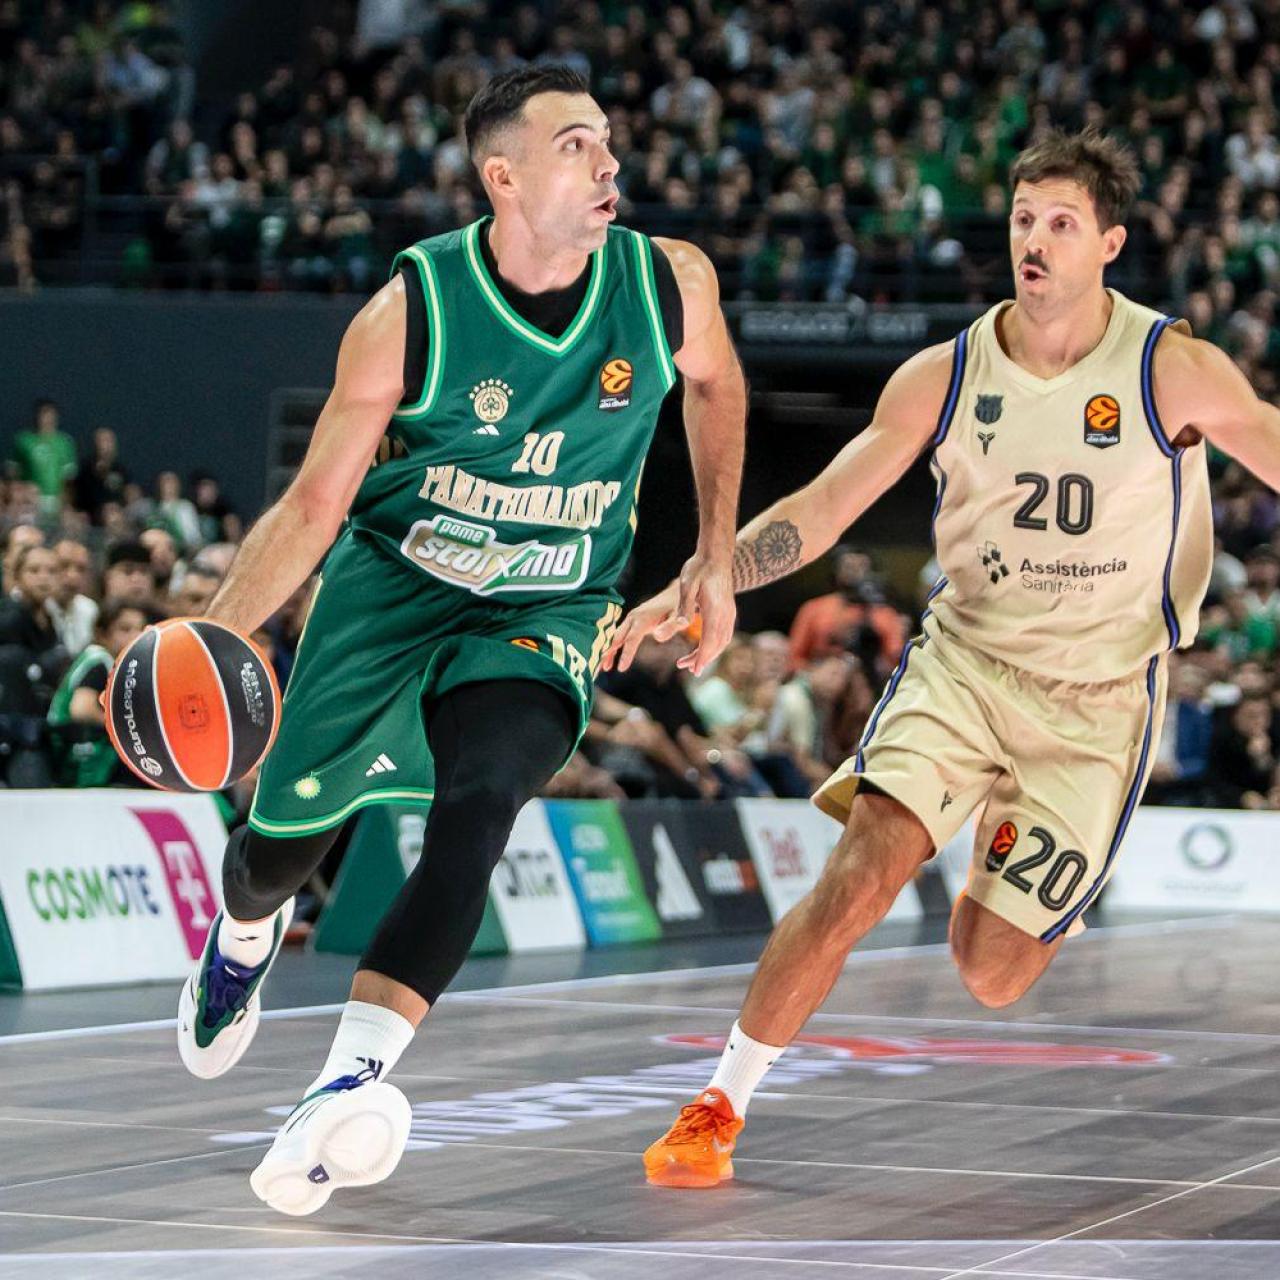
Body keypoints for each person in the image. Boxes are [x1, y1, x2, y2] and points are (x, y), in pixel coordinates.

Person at [607, 126, 1280, 1188]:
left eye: (1060, 223)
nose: (1034, 240)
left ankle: (1002, 835)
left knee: (991, 971)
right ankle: (717, 1101)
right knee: (860, 872)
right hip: (964, 663)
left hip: (1098, 699)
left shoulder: (1168, 366)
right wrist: (711, 575)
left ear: (1107, 242)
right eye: (1021, 220)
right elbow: (825, 504)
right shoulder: (948, 370)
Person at [173, 64, 745, 1214]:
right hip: (394, 586)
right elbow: (313, 505)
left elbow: (716, 388)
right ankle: (243, 926)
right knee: (277, 848)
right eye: (578, 146)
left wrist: (712, 554)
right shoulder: (411, 310)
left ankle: (346, 1077)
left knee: (481, 801)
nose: (609, 166)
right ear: (504, 175)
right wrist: (215, 634)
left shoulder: (666, 282)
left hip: (547, 602)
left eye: (607, 143)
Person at [47, 598, 151, 787]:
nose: (135, 635)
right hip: (67, 747)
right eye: (125, 629)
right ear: (102, 634)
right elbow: (81, 709)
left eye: (141, 629)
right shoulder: (99, 660)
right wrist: (128, 729)